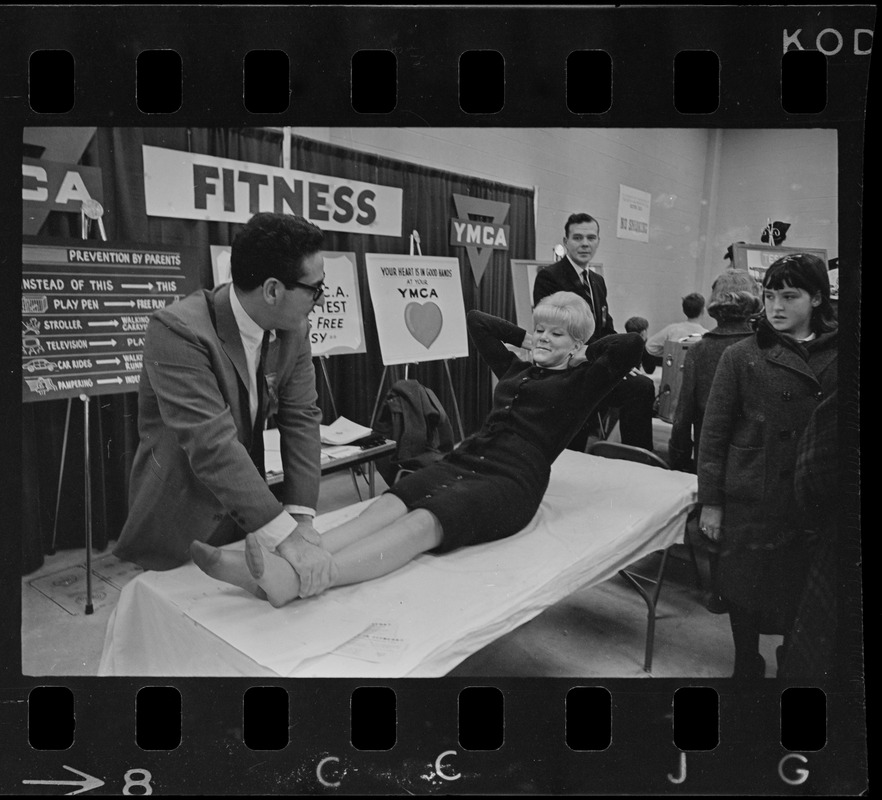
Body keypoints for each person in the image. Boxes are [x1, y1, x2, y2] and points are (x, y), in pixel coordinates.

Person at [192, 292, 644, 606]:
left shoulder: (583, 382)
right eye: (540, 329)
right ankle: (285, 561)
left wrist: (581, 352)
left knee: (421, 524)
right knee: (385, 505)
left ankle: (295, 582)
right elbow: (477, 322)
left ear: (579, 345)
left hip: (512, 482)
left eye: (556, 335)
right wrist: (531, 337)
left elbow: (629, 346)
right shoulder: (514, 365)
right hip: (466, 459)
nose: (543, 338)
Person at [114, 212, 330, 583]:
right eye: (315, 289)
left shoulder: (294, 327)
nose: (320, 300)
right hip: (182, 518)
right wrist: (286, 535)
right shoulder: (177, 330)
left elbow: (301, 418)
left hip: (251, 512)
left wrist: (300, 518)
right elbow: (211, 444)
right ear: (273, 290)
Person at [697, 253, 838, 679]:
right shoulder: (742, 355)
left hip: (813, 500)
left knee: (802, 594)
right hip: (750, 495)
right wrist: (711, 503)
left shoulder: (841, 355)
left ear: (816, 298)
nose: (775, 306)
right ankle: (746, 661)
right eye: (770, 294)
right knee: (743, 589)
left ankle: (792, 663)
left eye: (789, 296)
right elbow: (714, 434)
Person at [667, 270, 761, 614]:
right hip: (754, 455)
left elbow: (683, 412)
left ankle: (718, 591)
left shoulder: (700, 350)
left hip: (709, 451)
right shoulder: (762, 345)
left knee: (713, 524)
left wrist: (677, 454)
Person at [533, 213, 656, 452]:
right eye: (577, 237)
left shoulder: (597, 281)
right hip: (568, 370)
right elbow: (559, 331)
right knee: (574, 438)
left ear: (598, 241)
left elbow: (606, 328)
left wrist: (622, 359)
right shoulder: (549, 277)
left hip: (595, 365)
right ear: (566, 241)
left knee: (641, 386)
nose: (585, 244)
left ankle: (639, 460)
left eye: (591, 237)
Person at [644, 292, 708, 363]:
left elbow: (650, 346)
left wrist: (669, 353)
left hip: (672, 372)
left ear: (684, 310)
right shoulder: (707, 335)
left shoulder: (672, 329)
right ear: (703, 311)